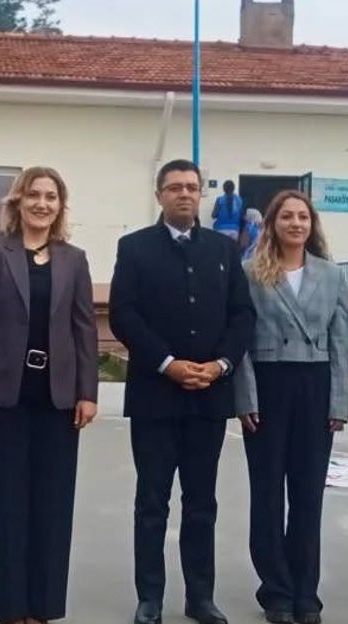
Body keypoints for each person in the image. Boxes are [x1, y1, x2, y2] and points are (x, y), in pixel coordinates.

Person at [109, 159, 255, 624]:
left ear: (201, 195)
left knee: (201, 503)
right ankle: (150, 597)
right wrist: (167, 364)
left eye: (192, 187)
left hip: (209, 395)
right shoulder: (135, 248)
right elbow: (124, 314)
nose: (185, 194)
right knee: (152, 502)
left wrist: (220, 364)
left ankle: (200, 597)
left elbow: (242, 315)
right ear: (160, 195)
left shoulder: (224, 250)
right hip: (155, 396)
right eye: (175, 187)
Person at [0, 166, 100, 624]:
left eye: (51, 197)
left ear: (60, 206)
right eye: (34, 195)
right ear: (18, 201)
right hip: (4, 398)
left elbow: (84, 329)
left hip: (58, 401)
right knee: (6, 506)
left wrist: (88, 391)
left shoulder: (74, 260)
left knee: (52, 507)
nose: (42, 203)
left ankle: (42, 608)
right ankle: (10, 608)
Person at [232, 190, 348, 624]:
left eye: (303, 216)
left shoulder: (331, 274)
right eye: (287, 216)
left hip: (315, 385)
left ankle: (306, 592)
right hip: (268, 384)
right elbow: (241, 343)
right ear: (272, 223)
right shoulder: (250, 272)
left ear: (312, 224)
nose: (296, 223)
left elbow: (341, 340)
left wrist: (339, 401)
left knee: (308, 495)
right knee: (267, 494)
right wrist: (245, 397)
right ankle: (276, 592)